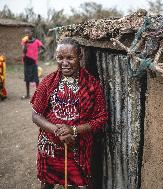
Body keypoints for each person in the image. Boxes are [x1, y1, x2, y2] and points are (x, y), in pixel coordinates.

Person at [31, 37, 108, 189]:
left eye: (70, 58)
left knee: (75, 182)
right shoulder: (48, 82)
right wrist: (58, 131)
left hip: (77, 147)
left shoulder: (92, 85)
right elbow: (36, 114)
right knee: (47, 181)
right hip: (50, 146)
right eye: (60, 58)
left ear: (80, 57)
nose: (64, 63)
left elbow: (101, 118)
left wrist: (73, 130)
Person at [21, 28, 45, 99]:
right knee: (27, 79)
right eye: (26, 33)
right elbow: (24, 51)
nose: (27, 35)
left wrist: (37, 53)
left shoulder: (37, 41)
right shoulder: (24, 41)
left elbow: (44, 48)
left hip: (33, 62)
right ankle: (28, 94)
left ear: (32, 33)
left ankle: (38, 94)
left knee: (36, 79)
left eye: (28, 33)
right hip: (26, 61)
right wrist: (25, 44)